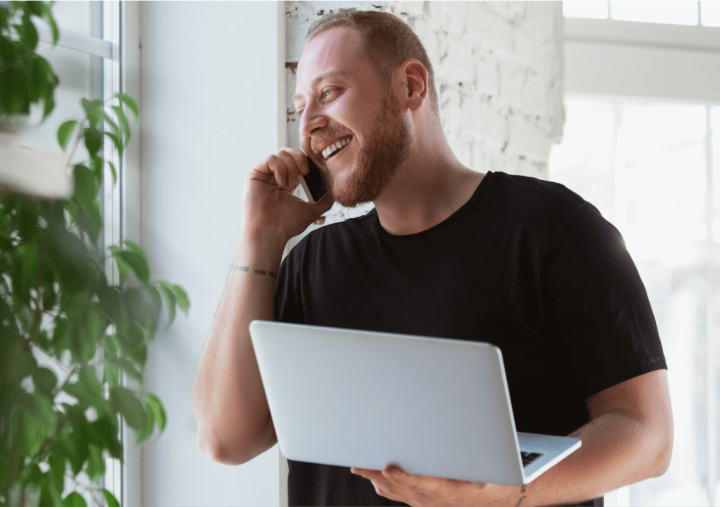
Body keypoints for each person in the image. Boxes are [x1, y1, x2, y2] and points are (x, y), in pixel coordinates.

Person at [193, 8, 673, 507]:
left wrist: (505, 493)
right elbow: (225, 438)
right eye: (301, 106)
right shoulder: (313, 262)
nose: (309, 124)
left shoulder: (555, 230)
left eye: (330, 92)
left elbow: (647, 436)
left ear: (411, 87)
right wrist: (260, 237)